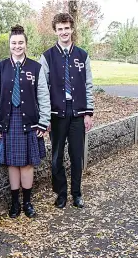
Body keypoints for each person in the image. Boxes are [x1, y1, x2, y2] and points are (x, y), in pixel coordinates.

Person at [0, 25, 51, 218]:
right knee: (12, 164)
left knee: (27, 164)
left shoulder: (35, 68)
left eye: (20, 42)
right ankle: (15, 203)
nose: (17, 46)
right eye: (14, 43)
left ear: (26, 44)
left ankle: (28, 203)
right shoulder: (0, 68)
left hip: (29, 122)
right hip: (7, 122)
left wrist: (43, 122)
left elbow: (43, 97)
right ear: (9, 45)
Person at [39, 13, 94, 209]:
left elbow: (88, 85)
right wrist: (45, 117)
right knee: (56, 157)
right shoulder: (47, 57)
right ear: (55, 31)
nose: (64, 32)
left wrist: (88, 113)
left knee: (77, 156)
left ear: (72, 29)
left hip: (78, 113)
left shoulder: (82, 55)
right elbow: (42, 89)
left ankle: (77, 193)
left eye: (67, 28)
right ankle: (61, 193)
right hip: (56, 115)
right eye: (60, 29)